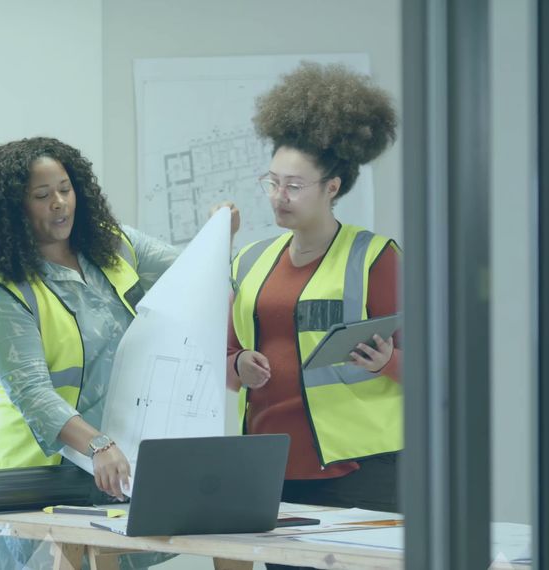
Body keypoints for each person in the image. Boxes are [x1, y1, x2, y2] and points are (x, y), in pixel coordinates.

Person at [0, 137, 237, 569]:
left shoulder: (113, 246)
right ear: (14, 209)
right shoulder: (3, 294)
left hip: (114, 467)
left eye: (65, 189)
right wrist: (97, 445)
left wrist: (220, 235)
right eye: (41, 195)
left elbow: (194, 277)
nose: (59, 203)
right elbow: (33, 393)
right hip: (47, 478)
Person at [226, 62, 401, 570]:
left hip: (361, 472)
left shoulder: (376, 257)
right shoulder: (250, 259)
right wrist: (237, 365)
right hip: (270, 471)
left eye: (295, 186)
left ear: (332, 186)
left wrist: (386, 361)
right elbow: (222, 354)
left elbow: (437, 367)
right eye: (272, 182)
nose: (280, 197)